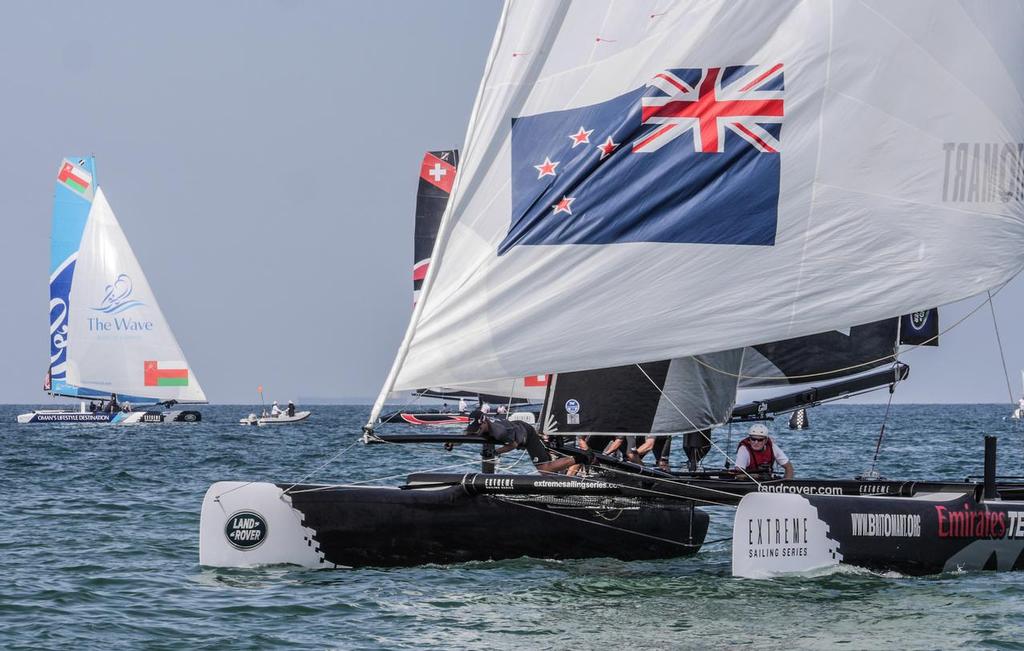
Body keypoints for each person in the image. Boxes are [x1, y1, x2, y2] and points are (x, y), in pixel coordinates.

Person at [466, 410, 575, 473]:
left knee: (544, 469)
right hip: (516, 428)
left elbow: (513, 445)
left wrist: (496, 452)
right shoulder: (482, 425)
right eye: (474, 429)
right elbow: (466, 434)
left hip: (527, 434)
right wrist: (451, 443)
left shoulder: (499, 433)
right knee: (547, 468)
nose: (476, 433)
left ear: (484, 422)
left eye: (478, 429)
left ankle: (578, 459)